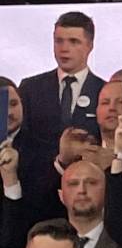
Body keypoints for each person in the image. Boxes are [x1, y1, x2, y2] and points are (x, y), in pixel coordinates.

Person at [17, 12, 105, 174]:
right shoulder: (30, 88)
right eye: (59, 41)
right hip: (37, 183)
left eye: (73, 41)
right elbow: (21, 142)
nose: (64, 49)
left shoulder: (104, 92)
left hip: (87, 182)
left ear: (90, 46)